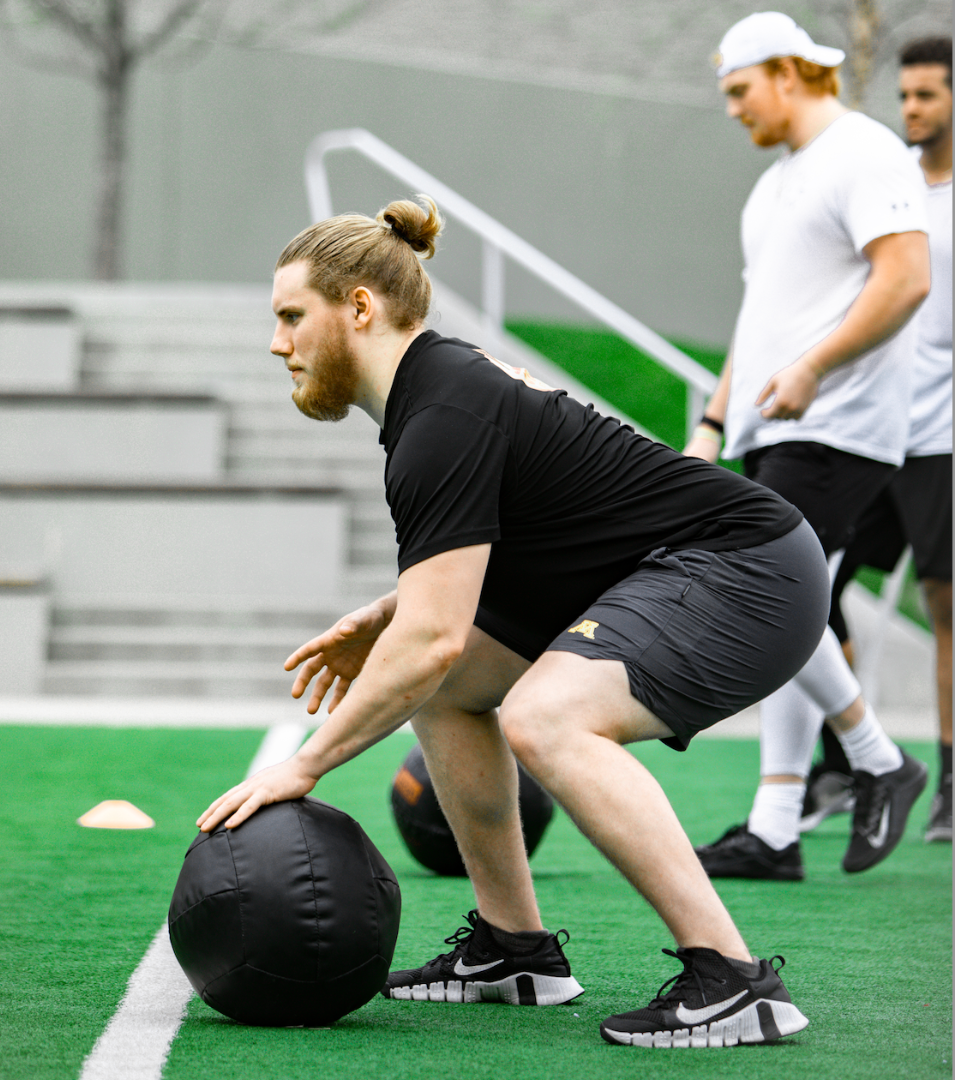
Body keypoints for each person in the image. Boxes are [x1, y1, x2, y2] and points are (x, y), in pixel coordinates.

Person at [198, 194, 833, 1048]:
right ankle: (514, 951)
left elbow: (432, 638)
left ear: (358, 307)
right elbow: (454, 599)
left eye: (290, 317)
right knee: (453, 690)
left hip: (744, 567)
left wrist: (303, 766)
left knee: (545, 713)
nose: (278, 344)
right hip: (687, 564)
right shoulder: (437, 395)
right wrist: (388, 614)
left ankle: (733, 979)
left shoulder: (440, 417)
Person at [683, 12, 932, 880]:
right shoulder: (772, 188)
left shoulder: (864, 150)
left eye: (739, 91)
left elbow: (908, 276)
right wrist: (715, 422)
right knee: (794, 606)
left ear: (788, 74)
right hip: (775, 426)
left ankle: (876, 760)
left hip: (837, 424)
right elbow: (759, 324)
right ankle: (778, 824)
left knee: (772, 596)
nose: (731, 110)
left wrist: (815, 367)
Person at [805, 36, 953, 844]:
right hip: (874, 432)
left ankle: (951, 783)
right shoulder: (889, 185)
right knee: (809, 586)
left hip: (945, 441)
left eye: (928, 96)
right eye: (906, 97)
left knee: (945, 606)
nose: (912, 111)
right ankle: (847, 758)